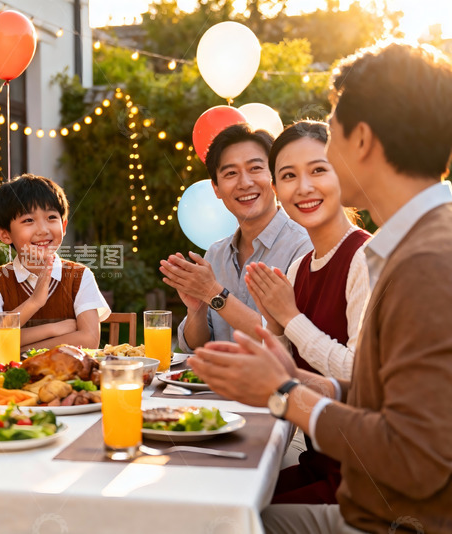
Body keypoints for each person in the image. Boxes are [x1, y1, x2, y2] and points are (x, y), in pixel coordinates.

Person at [189, 42, 452, 533]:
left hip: (393, 517)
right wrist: (296, 380)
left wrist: (285, 392)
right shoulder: (416, 243)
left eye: (332, 132)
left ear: (364, 141)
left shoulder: (427, 261)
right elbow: (386, 398)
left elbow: (416, 458)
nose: (320, 161)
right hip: (369, 494)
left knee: (209, 520)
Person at [246, 121, 371, 506]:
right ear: (277, 191)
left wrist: (292, 318)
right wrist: (275, 324)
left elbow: (360, 378)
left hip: (360, 479)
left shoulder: (366, 258)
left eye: (318, 169)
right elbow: (287, 367)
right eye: (288, 176)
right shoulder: (301, 266)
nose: (303, 187)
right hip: (317, 461)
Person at [160, 124, 311, 350]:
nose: (245, 183)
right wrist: (197, 308)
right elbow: (194, 346)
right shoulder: (216, 254)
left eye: (255, 168)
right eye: (230, 173)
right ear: (216, 189)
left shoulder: (304, 247)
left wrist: (214, 293)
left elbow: (292, 342)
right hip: (215, 385)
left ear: (275, 176)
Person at [0, 174, 110, 351]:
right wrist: (38, 308)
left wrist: (14, 346)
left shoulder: (79, 276)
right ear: (5, 234)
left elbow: (88, 340)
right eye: (28, 220)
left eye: (51, 217)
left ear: (64, 225)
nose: (43, 230)